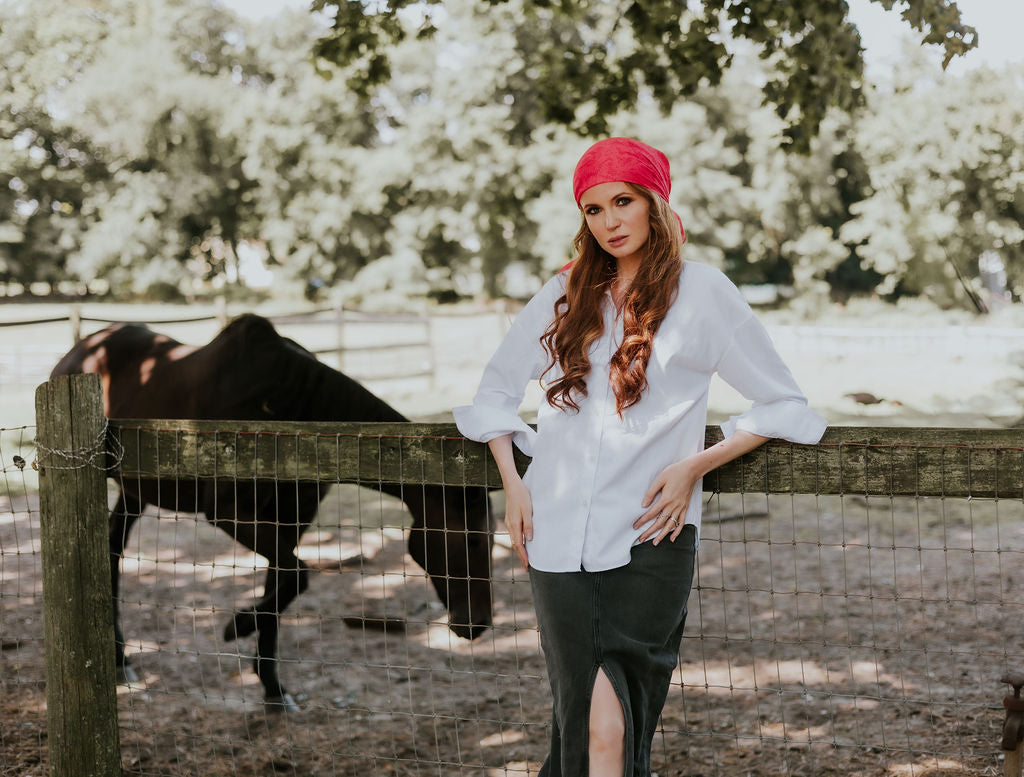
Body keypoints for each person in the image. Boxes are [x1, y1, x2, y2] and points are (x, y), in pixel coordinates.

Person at [453, 137, 826, 777]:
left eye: (622, 202)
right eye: (593, 210)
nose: (610, 222)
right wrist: (515, 482)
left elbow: (785, 403)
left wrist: (693, 467)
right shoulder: (563, 294)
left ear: (654, 203)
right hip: (555, 535)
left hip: (651, 535)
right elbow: (493, 393)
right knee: (584, 723)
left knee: (615, 727)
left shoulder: (704, 293)